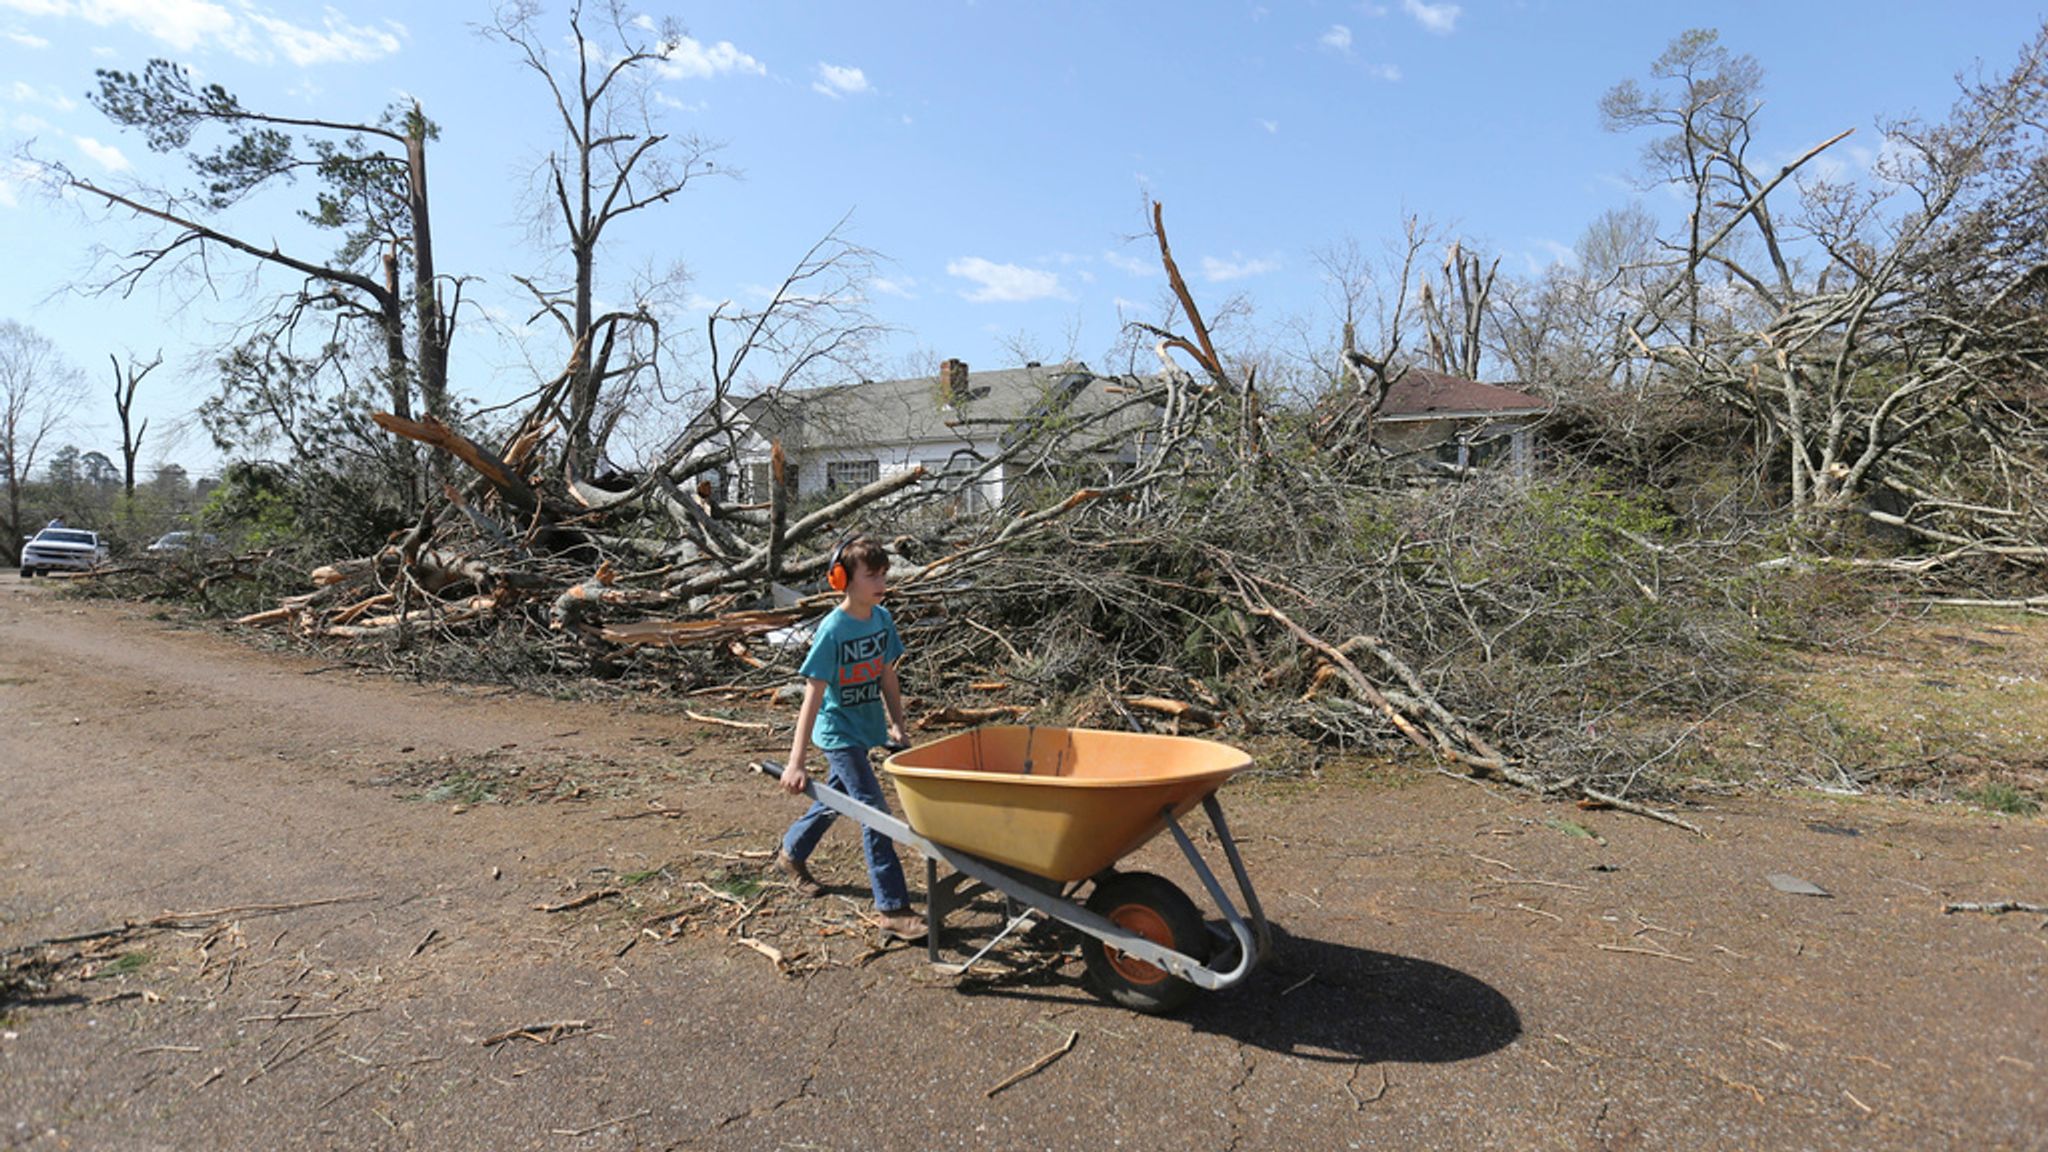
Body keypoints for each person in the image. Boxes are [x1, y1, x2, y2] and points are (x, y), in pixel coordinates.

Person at [774, 537, 926, 940]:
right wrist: (796, 762)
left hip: (867, 728)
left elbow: (887, 674)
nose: (880, 582)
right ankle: (892, 907)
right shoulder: (832, 630)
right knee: (874, 812)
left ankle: (792, 852)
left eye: (883, 574)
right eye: (870, 575)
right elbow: (812, 697)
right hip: (838, 734)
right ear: (842, 579)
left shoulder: (882, 619)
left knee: (839, 800)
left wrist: (898, 724)